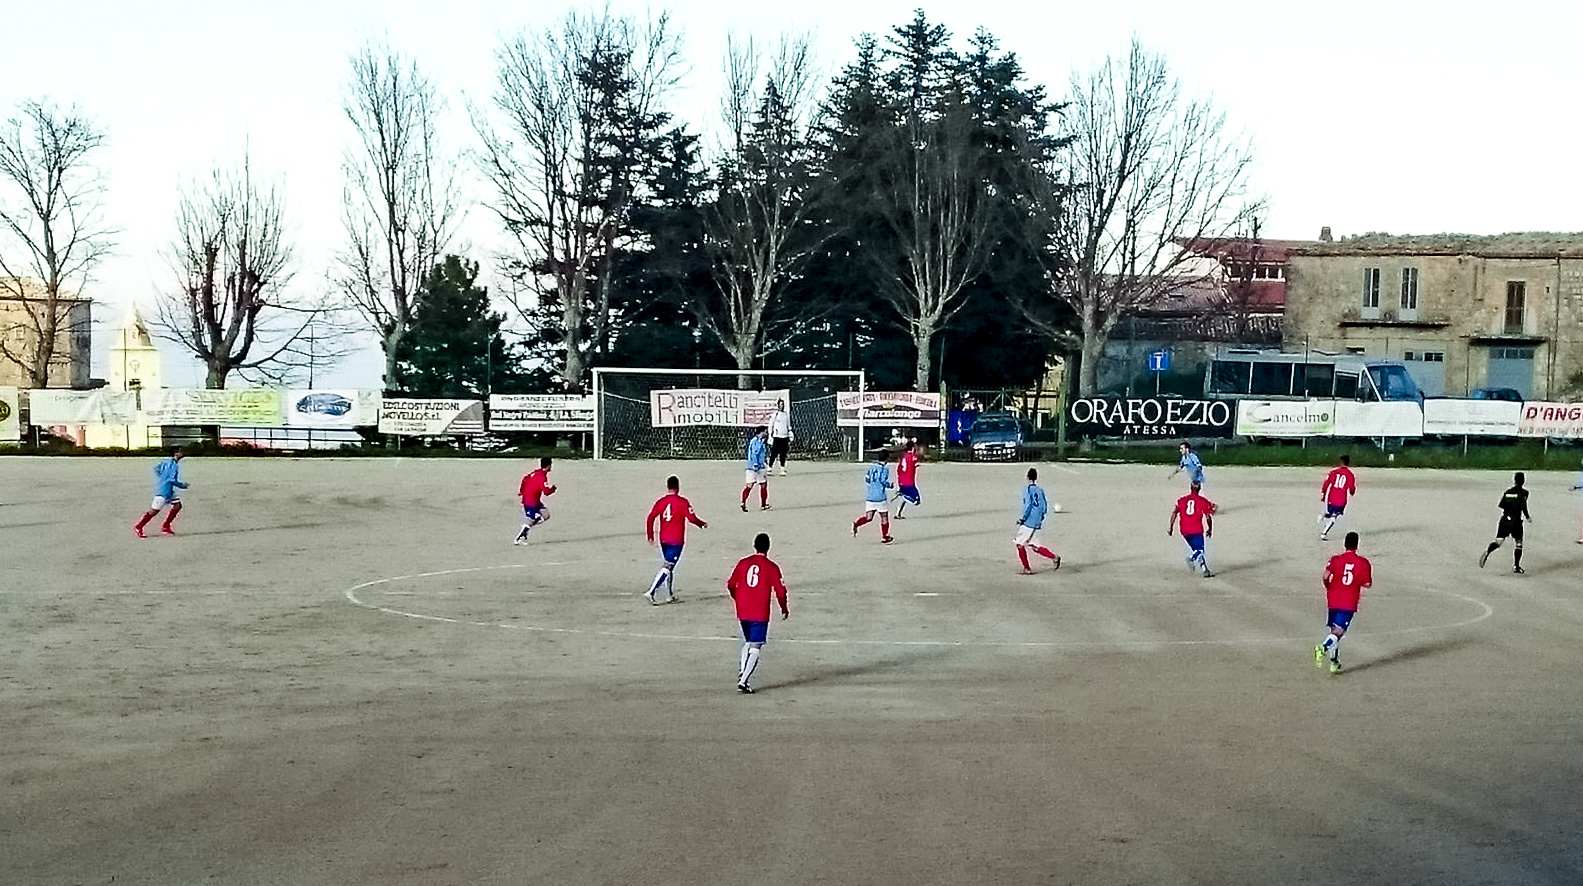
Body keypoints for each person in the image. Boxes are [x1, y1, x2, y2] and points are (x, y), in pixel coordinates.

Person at [725, 532, 789, 694]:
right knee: (756, 646)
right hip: (759, 611)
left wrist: (737, 598)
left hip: (742, 609)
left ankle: (742, 672)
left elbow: (731, 584)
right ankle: (743, 681)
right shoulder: (771, 567)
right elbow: (781, 592)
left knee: (748, 642)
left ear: (754, 546)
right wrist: (784, 608)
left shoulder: (743, 563)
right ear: (768, 547)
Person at [1315, 531, 1373, 675]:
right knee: (1339, 632)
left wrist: (1328, 586)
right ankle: (1323, 647)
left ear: (1344, 544)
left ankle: (1334, 662)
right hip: (1348, 601)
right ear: (1357, 545)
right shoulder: (1363, 563)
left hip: (1333, 599)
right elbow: (1367, 584)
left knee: (1333, 631)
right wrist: (1357, 581)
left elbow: (1325, 576)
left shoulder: (1335, 559)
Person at [645, 475, 708, 604]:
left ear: (667, 486)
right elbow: (692, 518)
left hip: (663, 539)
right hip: (676, 540)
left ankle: (669, 595)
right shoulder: (682, 502)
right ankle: (651, 591)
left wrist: (650, 535)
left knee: (669, 566)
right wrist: (701, 524)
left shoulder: (661, 501)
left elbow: (650, 518)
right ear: (678, 487)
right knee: (668, 566)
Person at [1479, 471, 1532, 573]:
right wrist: (1527, 516)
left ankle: (1488, 551)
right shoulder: (1525, 493)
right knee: (1519, 543)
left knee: (1498, 541)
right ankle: (1516, 566)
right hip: (1516, 521)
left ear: (1514, 480)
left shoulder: (1508, 492)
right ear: (1523, 481)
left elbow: (1502, 505)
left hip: (1505, 520)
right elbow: (1523, 506)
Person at [133, 447, 188, 537]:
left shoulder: (166, 462)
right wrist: (181, 485)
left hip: (168, 490)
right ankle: (139, 526)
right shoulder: (174, 465)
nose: (183, 453)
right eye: (181, 451)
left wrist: (162, 477)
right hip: (164, 491)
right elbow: (171, 479)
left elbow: (157, 469)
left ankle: (166, 525)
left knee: (177, 505)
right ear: (176, 453)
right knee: (154, 511)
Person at [1015, 467, 1061, 574]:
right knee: (1034, 546)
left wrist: (1022, 519)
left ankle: (1027, 568)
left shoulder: (1027, 490)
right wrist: (1041, 517)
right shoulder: (1040, 490)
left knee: (1020, 544)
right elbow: (1044, 506)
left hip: (1029, 521)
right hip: (1037, 521)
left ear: (1027, 477)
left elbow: (1028, 505)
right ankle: (1054, 557)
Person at [1168, 481, 1217, 578]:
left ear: (1190, 488)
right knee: (1200, 550)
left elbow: (1174, 513)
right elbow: (1208, 516)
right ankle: (1191, 558)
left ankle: (1205, 570)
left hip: (1184, 530)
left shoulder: (1182, 500)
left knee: (1196, 549)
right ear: (1199, 489)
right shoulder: (1202, 501)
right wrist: (1210, 529)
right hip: (1196, 529)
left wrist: (1171, 527)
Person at [852, 449, 895, 544]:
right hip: (880, 496)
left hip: (870, 496)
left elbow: (867, 479)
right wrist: (890, 485)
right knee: (884, 516)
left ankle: (856, 524)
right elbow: (883, 481)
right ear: (887, 458)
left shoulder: (871, 467)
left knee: (869, 517)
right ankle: (885, 536)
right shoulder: (884, 469)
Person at [514, 457, 556, 544]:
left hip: (535, 501)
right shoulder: (541, 477)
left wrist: (521, 491)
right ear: (548, 466)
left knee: (546, 515)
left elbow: (525, 479)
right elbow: (546, 492)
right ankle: (521, 536)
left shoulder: (535, 473)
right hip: (530, 502)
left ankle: (527, 526)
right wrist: (553, 489)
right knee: (535, 518)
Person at [1319, 455, 1358, 541]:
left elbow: (1326, 483)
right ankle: (1324, 533)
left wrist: (1324, 494)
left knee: (1332, 513)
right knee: (1334, 516)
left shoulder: (1333, 472)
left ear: (1341, 462)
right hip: (1341, 499)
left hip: (1331, 497)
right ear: (1348, 463)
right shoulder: (1350, 475)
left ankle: (1324, 515)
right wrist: (1352, 492)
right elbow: (1352, 488)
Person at [741, 426, 771, 512]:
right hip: (758, 467)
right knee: (763, 485)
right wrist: (756, 464)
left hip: (750, 467)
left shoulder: (755, 441)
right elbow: (755, 453)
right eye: (765, 431)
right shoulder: (757, 442)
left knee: (749, 485)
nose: (766, 433)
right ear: (761, 432)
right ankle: (763, 505)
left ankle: (743, 502)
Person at [893, 439, 922, 518]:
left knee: (904, 497)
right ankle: (902, 495)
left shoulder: (903, 457)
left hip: (901, 481)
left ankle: (898, 513)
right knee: (916, 501)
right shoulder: (912, 457)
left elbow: (899, 469)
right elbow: (915, 461)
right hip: (909, 482)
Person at [768, 399, 793, 476]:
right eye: (781, 404)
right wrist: (770, 435)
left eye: (783, 404)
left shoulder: (786, 415)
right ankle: (769, 467)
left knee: (783, 454)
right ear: (778, 405)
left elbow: (788, 425)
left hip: (784, 437)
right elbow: (771, 425)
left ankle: (782, 468)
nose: (782, 406)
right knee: (774, 453)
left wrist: (790, 433)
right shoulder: (775, 415)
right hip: (777, 436)